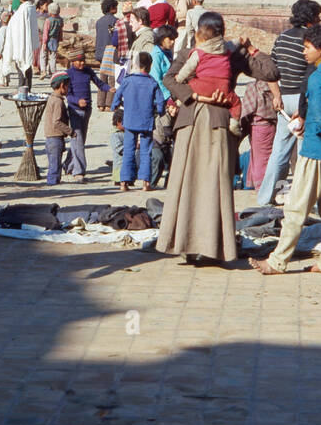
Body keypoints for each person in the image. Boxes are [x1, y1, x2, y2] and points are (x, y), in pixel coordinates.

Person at [156, 16, 269, 265]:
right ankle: (184, 244)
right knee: (187, 183)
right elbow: (169, 79)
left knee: (213, 186)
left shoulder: (231, 53)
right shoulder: (190, 53)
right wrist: (195, 95)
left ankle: (213, 247)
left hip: (219, 125)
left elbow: (270, 72)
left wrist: (251, 49)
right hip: (190, 122)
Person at [251, 24, 321, 276]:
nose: (303, 52)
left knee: (296, 208)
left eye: (307, 47)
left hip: (318, 150)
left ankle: (278, 261)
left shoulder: (319, 77)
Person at [254, 0, 321, 206]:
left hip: (283, 99)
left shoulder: (282, 38)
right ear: (310, 18)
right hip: (303, 101)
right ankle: (302, 198)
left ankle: (265, 197)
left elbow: (271, 70)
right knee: (304, 152)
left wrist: (276, 95)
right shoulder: (311, 41)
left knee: (279, 151)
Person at [111, 50, 165, 190]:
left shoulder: (127, 80)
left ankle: (124, 182)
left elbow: (117, 96)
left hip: (129, 120)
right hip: (146, 121)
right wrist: (159, 112)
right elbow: (160, 102)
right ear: (150, 65)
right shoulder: (152, 82)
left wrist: (114, 106)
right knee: (146, 151)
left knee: (129, 150)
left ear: (135, 64)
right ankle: (146, 183)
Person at [61, 43, 105, 180]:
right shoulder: (68, 74)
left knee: (79, 140)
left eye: (83, 60)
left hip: (87, 110)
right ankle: (79, 171)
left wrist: (110, 89)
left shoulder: (88, 71)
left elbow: (99, 83)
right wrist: (76, 101)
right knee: (77, 139)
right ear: (72, 61)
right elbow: (67, 95)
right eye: (78, 61)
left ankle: (67, 165)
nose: (81, 63)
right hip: (75, 111)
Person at [1, 0, 40, 97]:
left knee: (21, 67)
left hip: (21, 44)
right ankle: (27, 88)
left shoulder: (22, 11)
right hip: (27, 43)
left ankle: (21, 89)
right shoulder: (31, 9)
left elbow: (16, 29)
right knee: (27, 67)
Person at [41, 73, 72, 186]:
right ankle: (52, 183)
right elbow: (57, 121)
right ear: (62, 85)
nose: (68, 89)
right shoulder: (58, 102)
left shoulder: (52, 98)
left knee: (54, 163)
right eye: (67, 86)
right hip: (55, 137)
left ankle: (55, 181)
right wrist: (70, 131)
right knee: (55, 164)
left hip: (50, 137)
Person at [44, 1, 64, 73]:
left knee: (45, 55)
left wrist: (44, 42)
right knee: (53, 56)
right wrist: (60, 39)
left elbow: (46, 32)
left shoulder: (48, 20)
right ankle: (52, 70)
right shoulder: (60, 20)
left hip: (48, 39)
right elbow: (60, 31)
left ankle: (47, 70)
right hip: (55, 39)